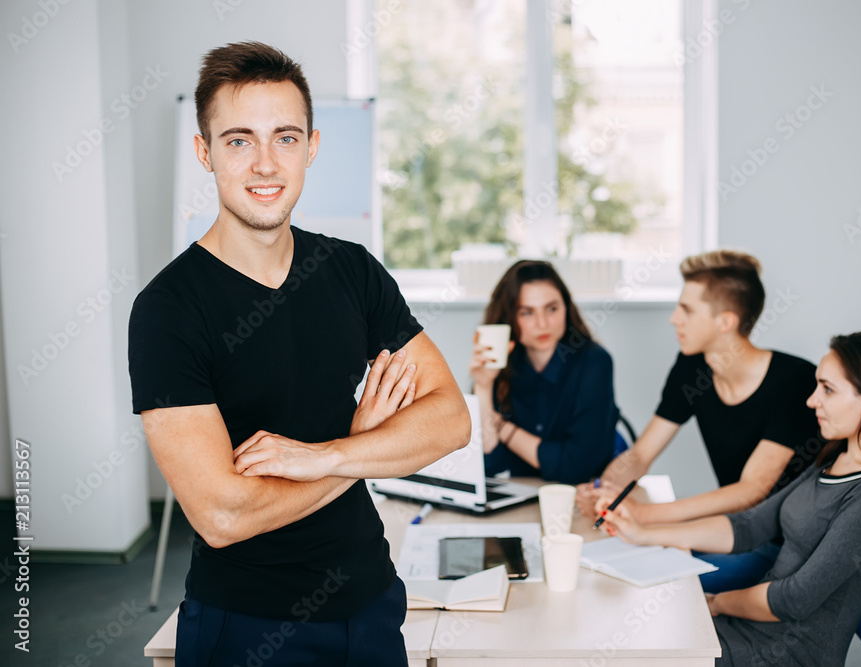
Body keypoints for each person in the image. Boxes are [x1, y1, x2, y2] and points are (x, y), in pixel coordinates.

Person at [128, 42, 470, 666]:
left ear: (311, 146)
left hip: (369, 603)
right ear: (204, 152)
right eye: (238, 141)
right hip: (247, 623)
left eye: (284, 138)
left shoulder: (351, 271)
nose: (264, 163)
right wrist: (362, 451)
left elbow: (449, 419)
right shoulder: (168, 310)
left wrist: (327, 454)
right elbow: (223, 515)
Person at [598, 329, 861, 667]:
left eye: (827, 389)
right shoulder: (834, 456)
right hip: (748, 629)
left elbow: (795, 599)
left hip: (787, 653)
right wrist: (643, 531)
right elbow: (749, 525)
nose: (812, 401)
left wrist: (716, 603)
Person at [577, 250, 822, 593]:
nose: (674, 319)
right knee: (614, 561)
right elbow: (641, 454)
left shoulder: (795, 381)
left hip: (784, 543)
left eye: (687, 310)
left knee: (664, 582)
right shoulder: (693, 367)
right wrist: (606, 493)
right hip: (732, 528)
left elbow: (752, 492)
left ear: (725, 321)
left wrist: (646, 515)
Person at [469, 260, 620, 485]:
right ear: (509, 317)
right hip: (522, 495)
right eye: (527, 312)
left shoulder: (594, 363)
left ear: (566, 308)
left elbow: (575, 467)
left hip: (582, 496)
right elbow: (488, 461)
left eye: (551, 309)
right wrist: (483, 387)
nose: (542, 323)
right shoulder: (500, 364)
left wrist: (503, 428)